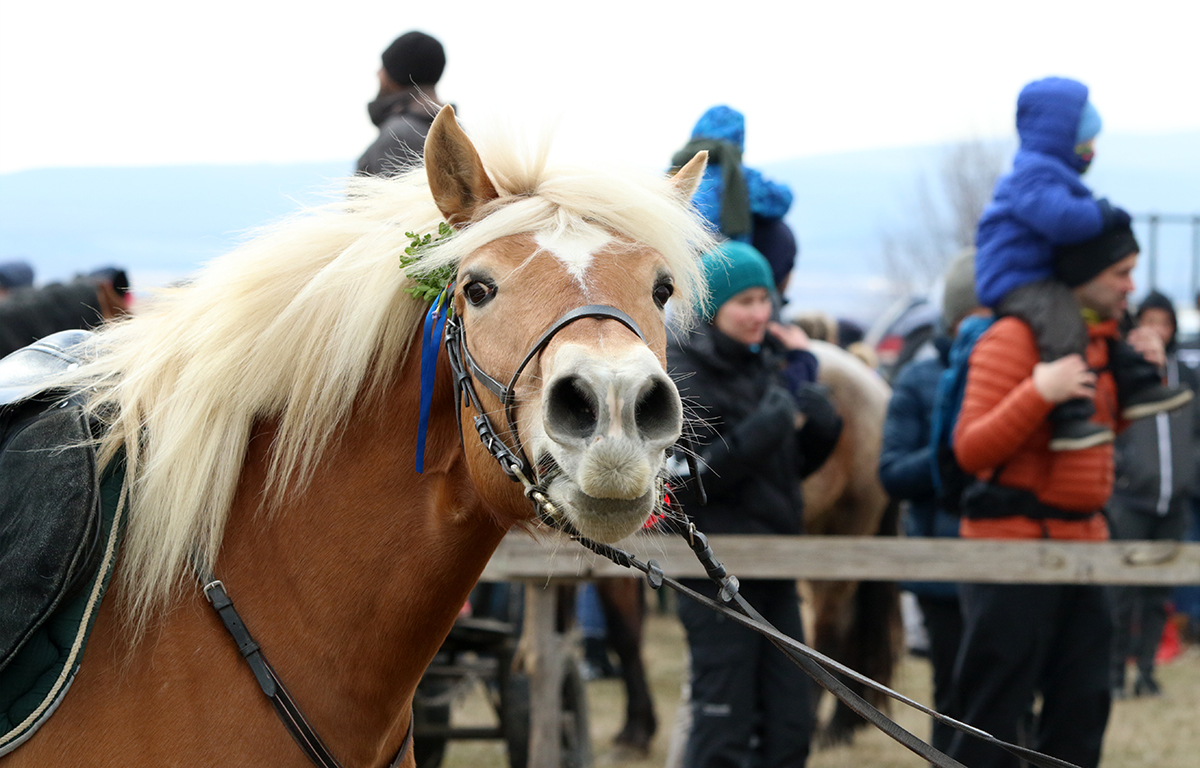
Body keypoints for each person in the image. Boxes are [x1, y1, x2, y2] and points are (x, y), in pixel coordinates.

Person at [946, 220, 1164, 768]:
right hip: (1010, 553)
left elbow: (1092, 444)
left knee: (1082, 711)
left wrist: (1144, 379)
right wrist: (1038, 393)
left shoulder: (1102, 341)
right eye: (1121, 273)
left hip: (1083, 550)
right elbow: (970, 450)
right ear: (1085, 274)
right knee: (990, 721)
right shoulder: (1013, 338)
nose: (1130, 287)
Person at [668, 240, 842, 768]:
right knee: (724, 725)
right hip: (713, 571)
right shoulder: (681, 373)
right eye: (744, 301)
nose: (760, 314)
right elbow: (678, 484)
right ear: (712, 305)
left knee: (790, 726)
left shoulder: (765, 363)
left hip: (778, 567)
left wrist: (820, 432)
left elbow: (777, 474)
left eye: (764, 300)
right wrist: (767, 429)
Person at [974, 76, 1189, 451]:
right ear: (1063, 138)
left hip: (1038, 272)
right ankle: (1069, 414)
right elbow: (1063, 220)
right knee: (1063, 323)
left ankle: (1136, 384)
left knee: (1112, 316)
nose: (1092, 151)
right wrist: (1104, 213)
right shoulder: (1032, 176)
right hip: (1014, 278)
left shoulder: (1053, 175)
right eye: (1086, 141)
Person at [877, 251, 983, 753]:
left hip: (1006, 561)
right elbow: (893, 473)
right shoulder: (919, 380)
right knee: (954, 691)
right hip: (943, 566)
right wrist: (949, 459)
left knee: (1005, 691)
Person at [1107, 290, 1199, 698]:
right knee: (1120, 591)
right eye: (1149, 322)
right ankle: (1114, 675)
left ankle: (1147, 671)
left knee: (1157, 593)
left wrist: (1188, 477)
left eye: (1164, 322)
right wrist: (1120, 472)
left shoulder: (1186, 376)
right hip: (1128, 500)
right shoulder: (1123, 373)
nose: (1157, 330)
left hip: (1173, 501)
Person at [670, 106, 794, 245]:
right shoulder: (744, 178)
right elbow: (782, 201)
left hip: (675, 257)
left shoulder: (673, 174)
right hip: (726, 260)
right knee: (779, 230)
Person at [357, 31, 446, 177]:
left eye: (384, 67)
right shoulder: (456, 131)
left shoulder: (397, 136)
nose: (378, 73)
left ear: (395, 76)